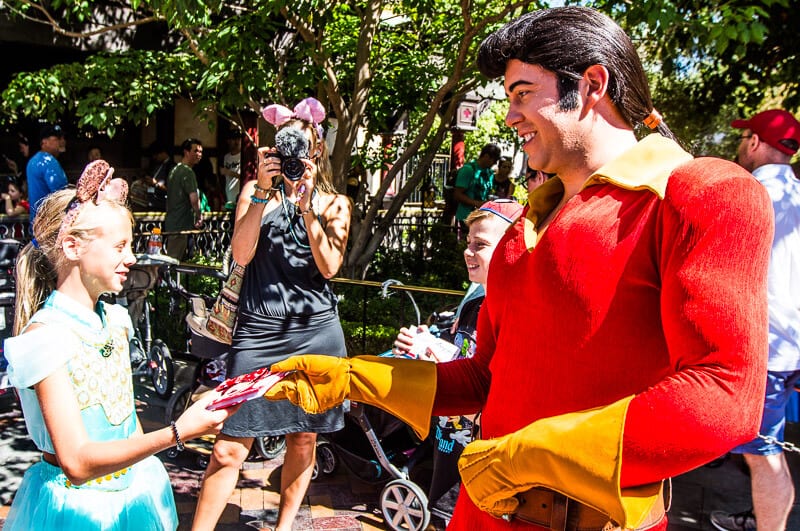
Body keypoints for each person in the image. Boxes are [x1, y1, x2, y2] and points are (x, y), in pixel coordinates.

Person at [265, 7, 774, 531]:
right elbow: (487, 377)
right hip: (478, 513)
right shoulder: (520, 232)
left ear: (593, 83)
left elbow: (724, 397)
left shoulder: (700, 193)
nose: (510, 116)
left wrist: (531, 457)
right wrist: (356, 378)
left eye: (523, 93)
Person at [2, 159, 238, 530]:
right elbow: (77, 463)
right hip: (76, 513)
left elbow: (127, 425)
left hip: (132, 495)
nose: (131, 258)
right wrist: (179, 431)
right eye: (119, 247)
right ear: (72, 246)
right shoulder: (45, 338)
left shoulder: (115, 321)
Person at [192, 97, 352, 531]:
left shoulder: (335, 202)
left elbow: (330, 267)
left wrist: (305, 204)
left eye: (303, 144)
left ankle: (284, 527)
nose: (295, 153)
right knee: (229, 446)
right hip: (258, 331)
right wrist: (263, 194)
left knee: (303, 436)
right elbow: (240, 256)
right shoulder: (252, 192)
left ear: (316, 150)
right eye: (287, 145)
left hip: (316, 331)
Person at [393, 198, 523, 512]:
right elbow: (464, 353)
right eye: (468, 243)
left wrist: (433, 361)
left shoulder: (515, 314)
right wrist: (425, 346)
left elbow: (493, 390)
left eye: (480, 244)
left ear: (511, 248)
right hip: (451, 442)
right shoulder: (476, 302)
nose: (468, 252)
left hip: (479, 459)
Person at [708, 109, 800, 531]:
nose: (741, 145)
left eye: (746, 138)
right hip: (787, 346)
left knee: (764, 456)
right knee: (760, 451)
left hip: (762, 349)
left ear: (757, 144)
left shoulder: (747, 193)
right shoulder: (797, 196)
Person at [164, 138, 204, 261]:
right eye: (195, 151)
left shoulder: (174, 170)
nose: (199, 154)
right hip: (180, 224)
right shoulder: (187, 172)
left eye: (201, 152)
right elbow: (193, 198)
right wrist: (199, 215)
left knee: (172, 258)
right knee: (174, 261)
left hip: (172, 221)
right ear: (186, 152)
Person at [453, 143, 500, 236]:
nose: (494, 164)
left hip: (482, 217)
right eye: (493, 161)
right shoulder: (468, 170)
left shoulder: (489, 173)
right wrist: (477, 203)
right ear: (486, 156)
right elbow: (457, 195)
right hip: (465, 217)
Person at [26, 124, 68, 224]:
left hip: (37, 223)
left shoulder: (33, 161)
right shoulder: (49, 161)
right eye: (57, 138)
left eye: (63, 137)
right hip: (51, 224)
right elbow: (62, 194)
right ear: (44, 142)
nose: (62, 141)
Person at [144, 143, 174, 211]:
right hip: (152, 199)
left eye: (156, 155)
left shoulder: (171, 166)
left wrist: (156, 183)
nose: (154, 157)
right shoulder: (156, 164)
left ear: (163, 153)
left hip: (163, 201)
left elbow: (171, 188)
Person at [220, 131, 242, 210]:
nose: (236, 142)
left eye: (238, 139)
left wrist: (229, 172)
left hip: (240, 194)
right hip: (229, 193)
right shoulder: (226, 157)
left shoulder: (243, 156)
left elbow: (247, 177)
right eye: (233, 139)